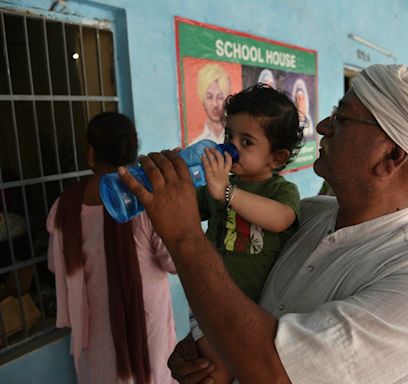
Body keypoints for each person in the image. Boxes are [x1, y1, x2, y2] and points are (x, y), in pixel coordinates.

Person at [120, 64, 408, 384]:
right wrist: (206, 344)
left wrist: (184, 236)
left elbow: (272, 371)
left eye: (341, 118)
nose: (323, 127)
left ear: (391, 156)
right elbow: (244, 308)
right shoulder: (311, 214)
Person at [47, 112, 177, 384]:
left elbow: (54, 265)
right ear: (132, 149)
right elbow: (173, 262)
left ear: (91, 152)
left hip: (95, 332)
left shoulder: (65, 205)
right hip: (146, 324)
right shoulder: (145, 198)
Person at [192, 83, 303, 383]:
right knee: (215, 373)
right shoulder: (217, 186)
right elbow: (185, 209)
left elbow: (281, 219)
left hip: (254, 311)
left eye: (247, 142)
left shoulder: (281, 191)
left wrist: (226, 193)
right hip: (209, 301)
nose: (231, 148)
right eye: (229, 137)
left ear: (277, 158)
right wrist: (177, 176)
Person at [192, 63, 231, 144]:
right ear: (203, 100)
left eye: (220, 97)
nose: (215, 104)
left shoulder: (237, 139)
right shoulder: (195, 146)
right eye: (209, 97)